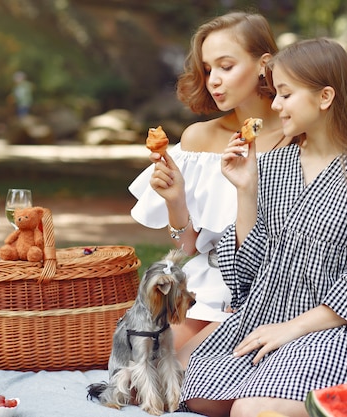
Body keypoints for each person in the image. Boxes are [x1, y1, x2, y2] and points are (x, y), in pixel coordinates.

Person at [180, 38, 347, 417]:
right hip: (268, 314)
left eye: (285, 94)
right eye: (275, 93)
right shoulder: (275, 164)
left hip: (339, 328)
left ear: (325, 97)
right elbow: (246, 272)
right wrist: (245, 191)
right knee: (198, 396)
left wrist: (293, 329)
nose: (274, 105)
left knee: (249, 411)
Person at [128, 12, 292, 368]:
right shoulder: (198, 138)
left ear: (264, 65)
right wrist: (175, 202)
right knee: (150, 370)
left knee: (190, 375)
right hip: (209, 283)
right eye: (207, 70)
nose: (214, 81)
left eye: (226, 66)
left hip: (273, 290)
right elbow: (188, 245)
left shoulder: (297, 136)